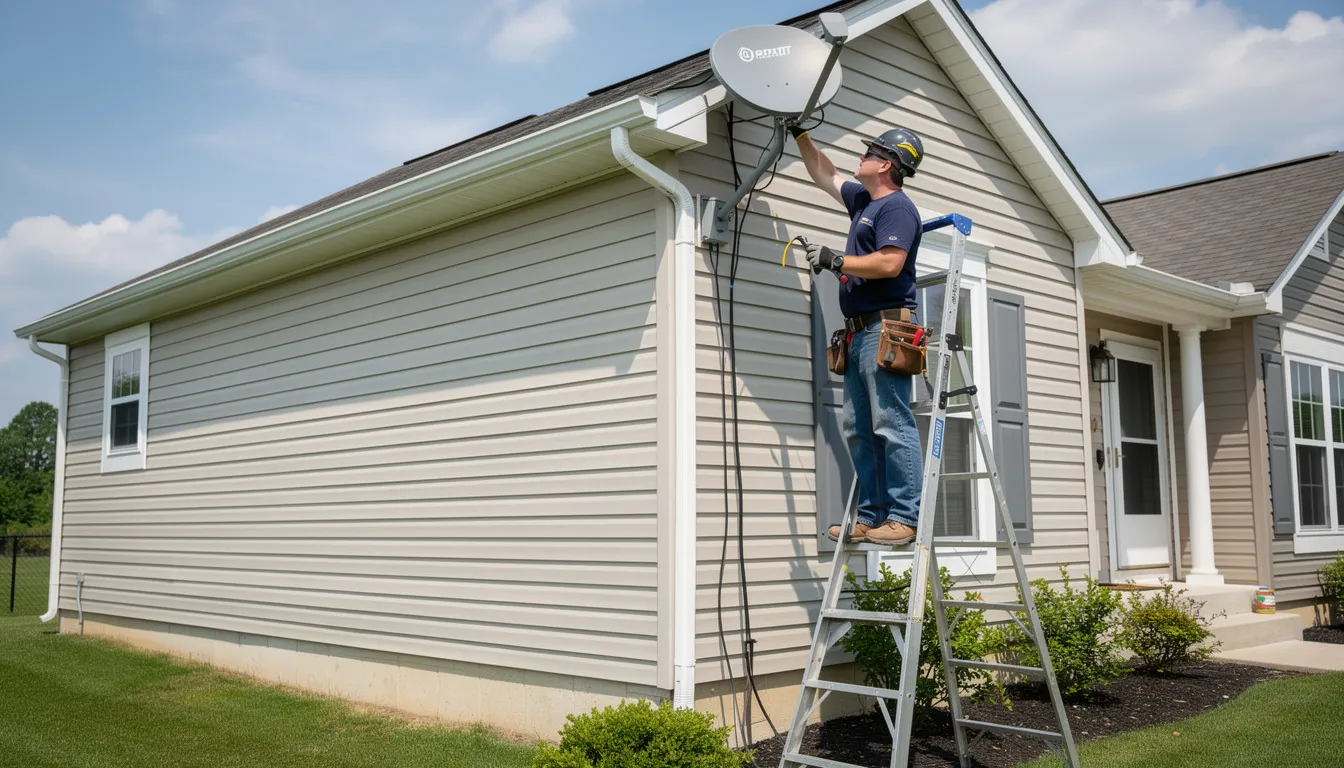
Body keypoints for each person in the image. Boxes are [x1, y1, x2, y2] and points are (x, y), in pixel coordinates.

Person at [791, 123, 926, 546]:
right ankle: (871, 516)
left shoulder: (897, 209)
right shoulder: (865, 202)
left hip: (885, 328)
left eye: (870, 151)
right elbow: (825, 174)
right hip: (858, 334)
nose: (862, 155)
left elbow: (889, 263)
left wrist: (836, 260)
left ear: (886, 163)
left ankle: (904, 518)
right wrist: (799, 135)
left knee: (892, 422)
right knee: (858, 427)